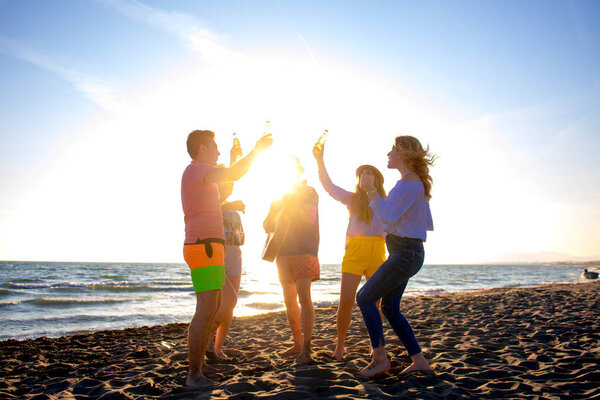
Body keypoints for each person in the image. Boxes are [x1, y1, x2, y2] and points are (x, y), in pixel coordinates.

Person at [181, 129, 272, 386]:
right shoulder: (196, 169)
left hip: (212, 246)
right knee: (205, 310)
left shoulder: (204, 176)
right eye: (214, 146)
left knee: (220, 304)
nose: (218, 151)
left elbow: (227, 185)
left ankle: (200, 363)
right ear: (201, 149)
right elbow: (234, 173)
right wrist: (257, 151)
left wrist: (235, 158)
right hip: (204, 246)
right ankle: (194, 374)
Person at [355, 135, 436, 377]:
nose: (388, 153)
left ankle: (379, 359)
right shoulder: (414, 183)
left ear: (403, 154)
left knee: (365, 297)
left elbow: (387, 217)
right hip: (409, 252)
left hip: (404, 252)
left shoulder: (407, 184)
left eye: (392, 149)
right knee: (390, 307)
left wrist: (370, 191)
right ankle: (419, 360)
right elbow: (421, 222)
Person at [312, 143, 387, 361]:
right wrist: (319, 159)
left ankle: (377, 346)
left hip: (378, 253)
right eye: (361, 173)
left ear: (376, 178)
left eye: (369, 172)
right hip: (354, 253)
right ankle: (339, 347)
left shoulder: (384, 201)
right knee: (345, 301)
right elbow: (328, 185)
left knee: (375, 304)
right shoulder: (352, 199)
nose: (365, 176)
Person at [263, 161, 320, 365]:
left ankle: (307, 348)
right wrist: (270, 221)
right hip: (283, 252)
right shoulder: (278, 197)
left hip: (305, 249)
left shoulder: (309, 191)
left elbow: (309, 216)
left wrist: (289, 207)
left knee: (304, 298)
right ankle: (297, 343)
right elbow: (267, 222)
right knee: (289, 300)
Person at [206, 142, 246, 360]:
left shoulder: (228, 201)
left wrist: (233, 160)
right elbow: (217, 203)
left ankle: (217, 348)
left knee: (229, 306)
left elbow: (230, 182)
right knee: (224, 302)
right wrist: (232, 160)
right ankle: (208, 341)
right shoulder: (210, 198)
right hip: (217, 253)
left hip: (235, 253)